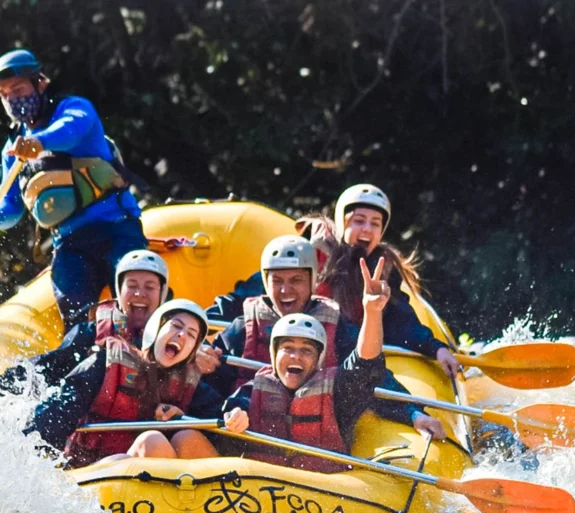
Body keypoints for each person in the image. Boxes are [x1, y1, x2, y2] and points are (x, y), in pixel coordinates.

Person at [179, 258, 421, 471]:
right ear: (273, 358)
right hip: (260, 495)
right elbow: (225, 408)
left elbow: (365, 364)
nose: (295, 356)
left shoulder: (338, 392)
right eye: (287, 349)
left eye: (306, 350)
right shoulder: (252, 390)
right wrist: (235, 416)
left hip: (326, 497)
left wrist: (372, 312)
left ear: (318, 361)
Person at [0, 49, 147, 329]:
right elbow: (11, 207)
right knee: (76, 321)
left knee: (138, 306)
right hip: (69, 243)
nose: (12, 99)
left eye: (18, 88)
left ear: (40, 83)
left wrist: (39, 142)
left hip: (116, 228)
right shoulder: (12, 149)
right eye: (4, 94)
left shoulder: (75, 108)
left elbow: (70, 130)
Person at [203, 235, 444, 438]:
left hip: (319, 443)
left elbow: (369, 374)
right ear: (265, 282)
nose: (285, 290)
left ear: (313, 281)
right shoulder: (242, 327)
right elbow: (208, 382)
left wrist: (413, 413)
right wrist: (201, 356)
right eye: (277, 281)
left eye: (296, 280)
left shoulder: (335, 324)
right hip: (255, 437)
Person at [25, 300, 225, 465]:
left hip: (145, 485)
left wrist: (182, 419)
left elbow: (219, 424)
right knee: (152, 442)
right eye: (176, 326)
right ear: (155, 329)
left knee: (187, 437)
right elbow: (55, 416)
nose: (182, 335)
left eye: (191, 335)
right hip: (91, 472)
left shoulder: (191, 387)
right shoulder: (105, 364)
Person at [0, 249, 169, 395]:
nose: (139, 293)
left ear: (162, 294)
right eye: (132, 285)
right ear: (119, 292)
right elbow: (43, 368)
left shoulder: (179, 337)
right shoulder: (91, 333)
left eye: (149, 287)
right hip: (98, 431)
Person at [315, 184, 462, 377]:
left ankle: (410, 408)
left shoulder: (383, 269)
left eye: (375, 223)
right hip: (308, 346)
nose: (367, 229)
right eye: (359, 221)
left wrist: (436, 349)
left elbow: (400, 322)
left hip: (350, 359)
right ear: (343, 223)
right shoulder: (314, 255)